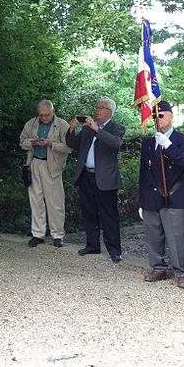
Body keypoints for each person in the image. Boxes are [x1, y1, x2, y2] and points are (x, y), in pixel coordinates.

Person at [138, 101, 184, 289]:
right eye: (154, 116)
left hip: (174, 194)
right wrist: (141, 200)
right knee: (153, 235)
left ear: (171, 116)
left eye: (161, 115)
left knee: (177, 237)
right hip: (152, 195)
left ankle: (182, 273)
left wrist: (168, 146)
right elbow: (144, 173)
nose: (157, 120)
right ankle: (158, 267)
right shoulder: (148, 143)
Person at [66, 97, 126, 262]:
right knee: (89, 213)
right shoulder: (86, 129)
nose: (97, 109)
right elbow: (72, 144)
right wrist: (71, 130)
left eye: (101, 107)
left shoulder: (116, 128)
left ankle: (114, 250)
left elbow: (115, 144)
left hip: (105, 180)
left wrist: (97, 129)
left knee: (109, 216)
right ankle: (92, 245)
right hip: (86, 176)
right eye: (97, 107)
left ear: (109, 112)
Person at [19, 99, 73, 247]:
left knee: (55, 202)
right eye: (41, 115)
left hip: (53, 166)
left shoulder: (63, 125)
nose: (43, 118)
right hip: (35, 163)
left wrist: (51, 144)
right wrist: (32, 142)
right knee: (35, 200)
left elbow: (69, 148)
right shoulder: (31, 124)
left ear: (53, 112)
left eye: (46, 115)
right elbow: (22, 142)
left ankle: (58, 235)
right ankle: (38, 234)